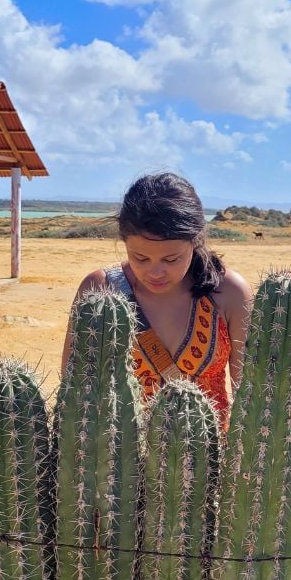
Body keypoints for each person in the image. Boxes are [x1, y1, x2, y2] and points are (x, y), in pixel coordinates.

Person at [61, 172, 252, 428]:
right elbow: (74, 390)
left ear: (195, 242)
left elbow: (251, 396)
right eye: (140, 258)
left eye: (171, 259)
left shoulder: (229, 293)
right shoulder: (100, 290)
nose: (155, 272)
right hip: (120, 462)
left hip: (210, 461)